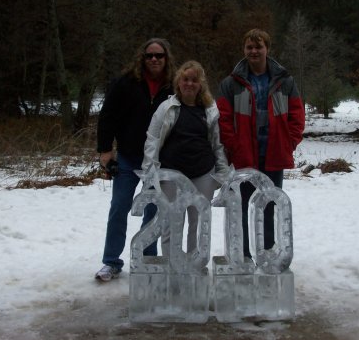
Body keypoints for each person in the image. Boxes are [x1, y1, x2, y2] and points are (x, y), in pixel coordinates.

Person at [216, 28, 305, 258]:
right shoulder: (231, 83)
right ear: (244, 50)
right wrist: (234, 146)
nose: (254, 51)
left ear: (267, 49)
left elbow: (297, 115)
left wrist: (290, 142)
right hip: (245, 155)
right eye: (249, 47)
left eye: (258, 46)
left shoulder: (284, 81)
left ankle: (266, 253)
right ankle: (244, 255)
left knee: (269, 205)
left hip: (273, 154)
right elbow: (223, 119)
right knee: (243, 206)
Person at [95, 38, 175, 281]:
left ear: (166, 58)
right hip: (128, 158)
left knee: (153, 211)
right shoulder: (124, 83)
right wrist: (105, 151)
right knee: (119, 206)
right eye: (149, 55)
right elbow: (107, 117)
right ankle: (111, 262)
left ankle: (148, 259)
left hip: (158, 162)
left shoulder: (174, 86)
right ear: (142, 57)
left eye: (159, 55)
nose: (154, 59)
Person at [142, 60, 229, 255]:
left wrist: (222, 172)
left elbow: (217, 143)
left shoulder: (210, 110)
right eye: (185, 79)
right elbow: (153, 141)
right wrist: (150, 173)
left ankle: (194, 268)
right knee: (171, 222)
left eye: (194, 80)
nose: (189, 83)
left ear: (201, 84)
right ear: (178, 82)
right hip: (171, 175)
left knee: (198, 224)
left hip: (203, 174)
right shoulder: (167, 108)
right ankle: (172, 268)